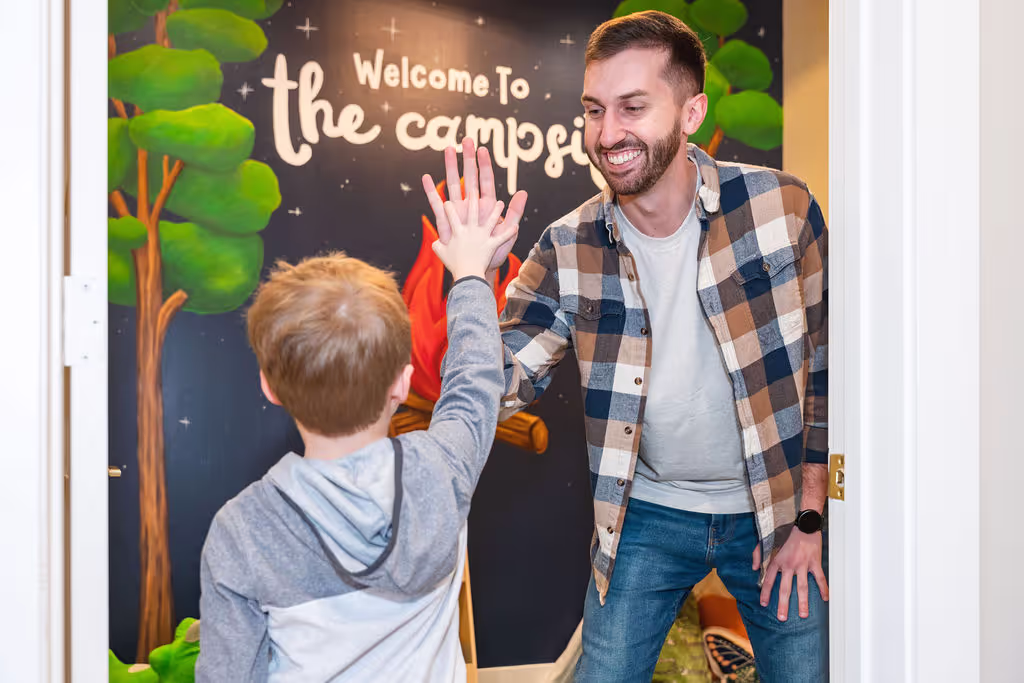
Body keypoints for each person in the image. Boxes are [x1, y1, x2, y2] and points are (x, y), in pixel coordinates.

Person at [422, 10, 828, 682]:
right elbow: (489, 388)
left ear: (691, 110)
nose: (607, 135)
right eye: (593, 110)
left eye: (632, 107)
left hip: (776, 514)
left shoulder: (781, 210)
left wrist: (811, 515)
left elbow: (830, 367)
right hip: (646, 513)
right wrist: (471, 276)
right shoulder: (567, 243)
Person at [195, 186, 521, 681]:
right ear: (404, 384)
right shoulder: (441, 471)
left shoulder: (241, 531)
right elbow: (474, 382)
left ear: (269, 386)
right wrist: (472, 274)